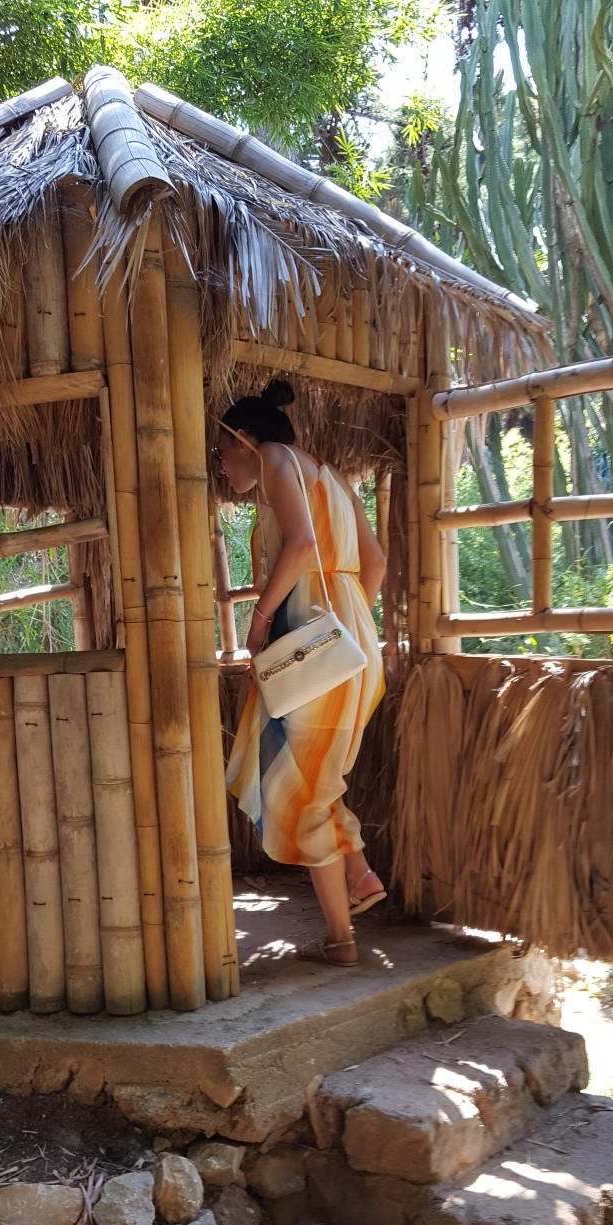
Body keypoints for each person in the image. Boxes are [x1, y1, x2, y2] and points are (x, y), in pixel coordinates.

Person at [219, 380, 387, 967]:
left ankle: (342, 937)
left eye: (223, 451)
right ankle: (358, 875)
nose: (222, 466)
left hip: (312, 650)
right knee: (312, 780)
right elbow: (377, 563)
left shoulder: (273, 459)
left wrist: (262, 620)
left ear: (244, 439)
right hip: (353, 647)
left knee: (302, 790)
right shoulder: (336, 478)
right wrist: (344, 626)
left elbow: (301, 543)